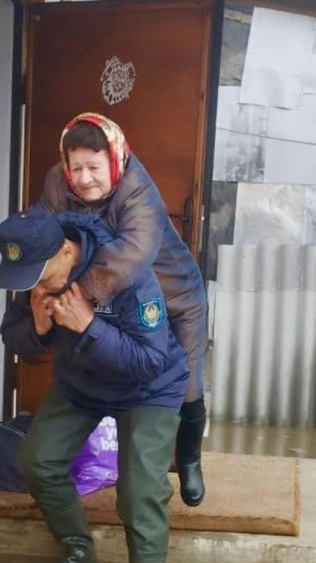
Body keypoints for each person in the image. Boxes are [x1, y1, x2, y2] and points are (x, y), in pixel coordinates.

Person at [0, 208, 189, 563]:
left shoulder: (125, 271)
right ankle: (78, 548)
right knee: (38, 459)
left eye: (39, 275)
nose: (34, 285)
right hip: (81, 382)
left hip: (149, 389)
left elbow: (149, 361)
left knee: (139, 491)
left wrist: (88, 326)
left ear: (67, 252)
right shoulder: (38, 277)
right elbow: (11, 336)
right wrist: (36, 327)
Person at [38, 112, 208, 507]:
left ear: (114, 161)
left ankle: (189, 460)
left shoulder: (137, 190)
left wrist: (77, 293)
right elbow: (44, 232)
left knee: (187, 385)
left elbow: (132, 254)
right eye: (76, 167)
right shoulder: (57, 181)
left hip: (174, 298)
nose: (83, 178)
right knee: (111, 361)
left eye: (94, 167)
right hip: (117, 300)